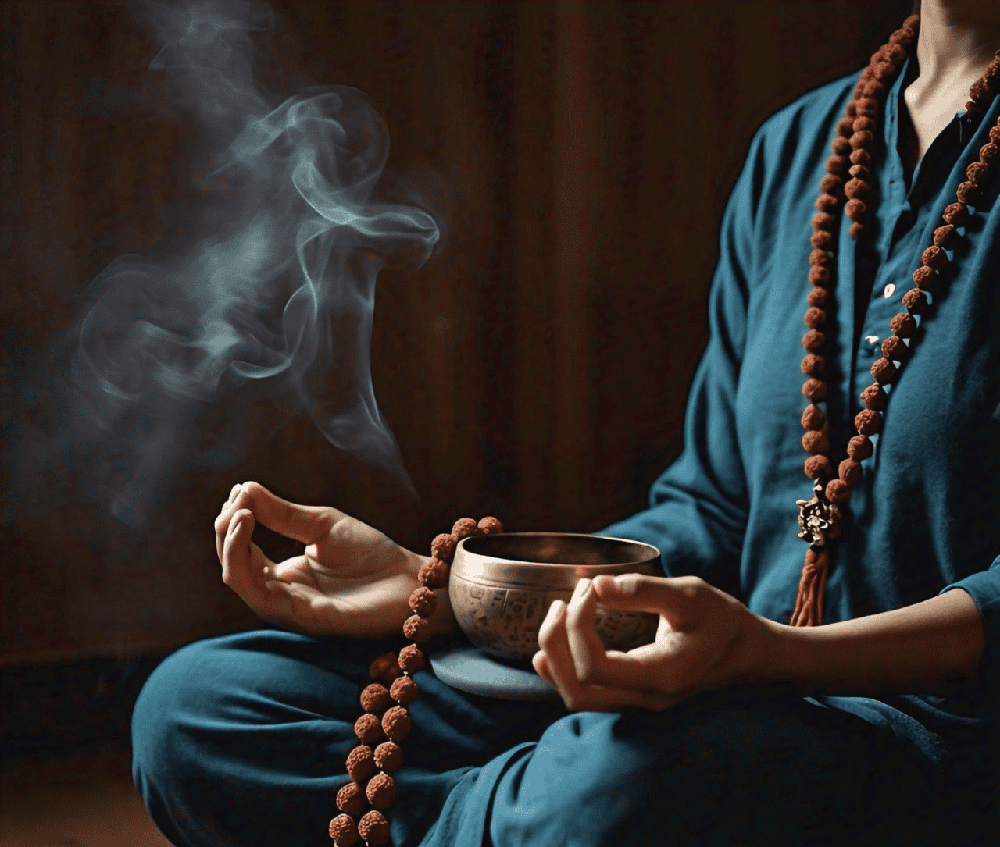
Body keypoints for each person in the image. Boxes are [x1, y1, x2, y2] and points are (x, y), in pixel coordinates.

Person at [131, 2, 999, 845]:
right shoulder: (799, 149)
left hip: (925, 733)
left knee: (615, 780)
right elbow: (715, 510)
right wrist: (449, 593)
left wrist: (776, 655)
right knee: (201, 705)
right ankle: (522, 812)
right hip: (707, 692)